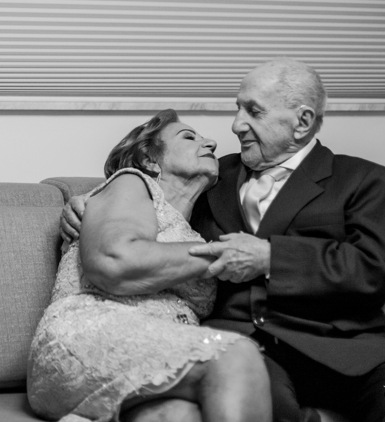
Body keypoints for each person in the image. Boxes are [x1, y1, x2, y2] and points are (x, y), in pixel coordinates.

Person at [61, 59, 385, 422]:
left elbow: (374, 269)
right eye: (237, 109)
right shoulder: (212, 173)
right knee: (256, 406)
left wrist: (272, 258)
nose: (236, 125)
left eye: (253, 112)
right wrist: (87, 204)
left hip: (347, 349)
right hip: (247, 348)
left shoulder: (361, 178)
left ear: (302, 122)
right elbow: (150, 194)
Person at [28, 109, 271, 422]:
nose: (211, 143)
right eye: (189, 137)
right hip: (89, 337)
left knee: (181, 415)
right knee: (236, 354)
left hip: (150, 361)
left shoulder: (197, 229)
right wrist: (224, 254)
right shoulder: (132, 183)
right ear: (150, 159)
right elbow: (115, 261)